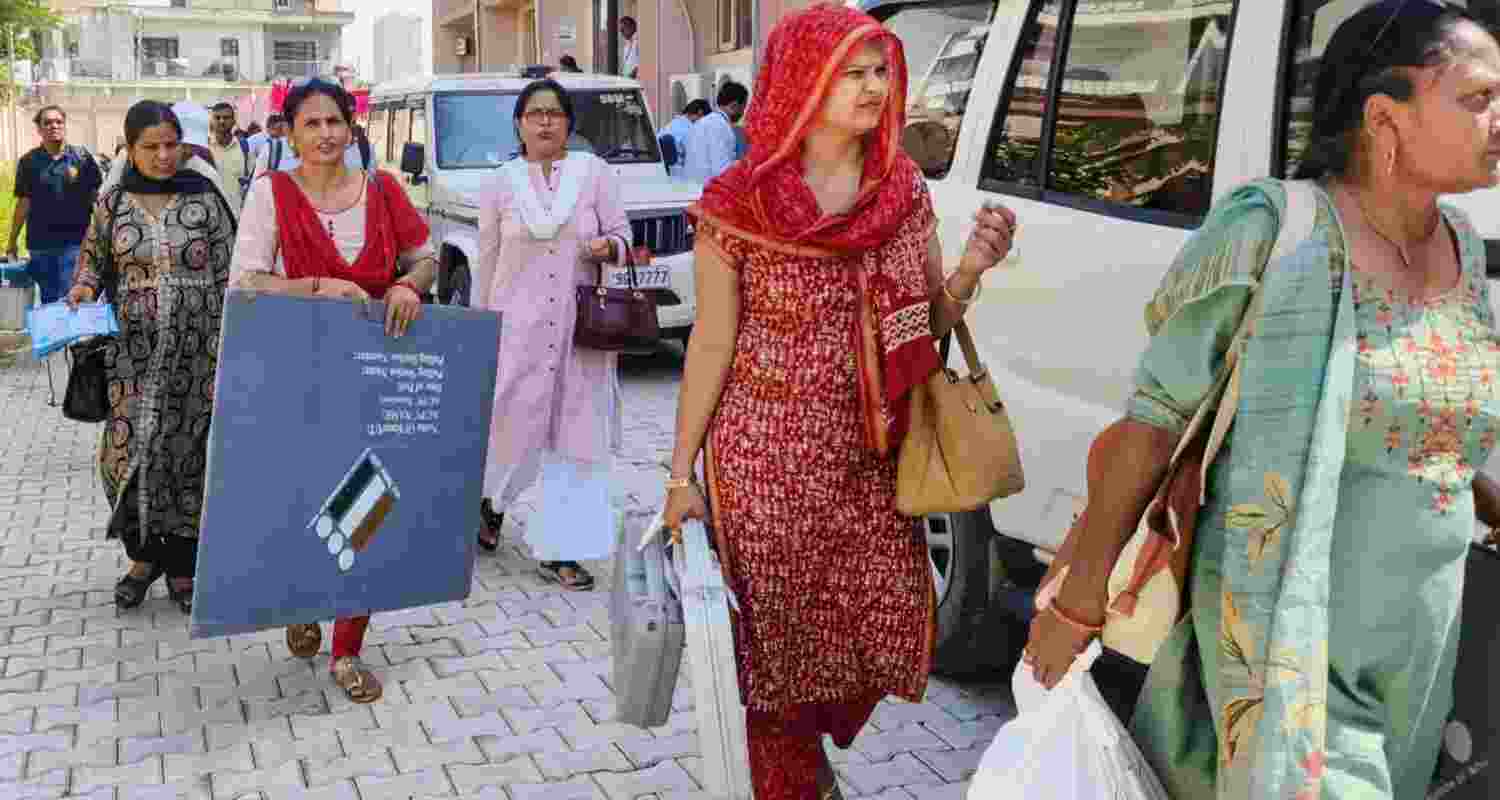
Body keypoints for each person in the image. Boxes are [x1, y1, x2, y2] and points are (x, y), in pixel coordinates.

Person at [1024, 4, 1500, 798]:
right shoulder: (1275, 231)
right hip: (1285, 642)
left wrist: (1482, 495)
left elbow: (1425, 427)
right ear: (1385, 117)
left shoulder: (1463, 245)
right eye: (1478, 97)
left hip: (1418, 648)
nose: (1498, 118)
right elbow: (1153, 426)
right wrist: (1076, 604)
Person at [661, 6, 1016, 797]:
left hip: (870, 457)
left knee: (886, 628)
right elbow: (712, 343)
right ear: (802, 82)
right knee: (780, 657)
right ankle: (791, 777)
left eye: (879, 70)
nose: (872, 86)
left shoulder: (900, 190)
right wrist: (681, 473)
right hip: (764, 463)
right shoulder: (739, 201)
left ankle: (801, 756)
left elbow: (925, 320)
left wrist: (971, 271)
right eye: (851, 72)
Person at [231, 78, 435, 704]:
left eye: (334, 122)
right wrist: (316, 286)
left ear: (352, 128)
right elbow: (247, 282)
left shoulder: (382, 189)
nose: (324, 134)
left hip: (377, 371)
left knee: (367, 504)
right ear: (289, 132)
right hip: (298, 367)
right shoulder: (271, 193)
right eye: (310, 123)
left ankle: (347, 649)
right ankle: (302, 596)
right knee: (302, 495)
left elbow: (425, 256)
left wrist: (409, 286)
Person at [64, 100, 237, 614]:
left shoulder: (205, 197)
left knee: (187, 458)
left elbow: (233, 274)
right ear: (130, 148)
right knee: (124, 458)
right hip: (131, 358)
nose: (164, 155)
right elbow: (92, 262)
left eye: (171, 144)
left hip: (199, 355)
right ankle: (143, 557)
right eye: (151, 146)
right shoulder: (112, 202)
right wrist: (82, 290)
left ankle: (182, 565)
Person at [476, 78, 633, 591]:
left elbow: (623, 235)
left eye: (555, 113)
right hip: (516, 329)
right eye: (535, 113)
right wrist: (481, 324)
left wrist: (609, 248)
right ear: (519, 124)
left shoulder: (595, 175)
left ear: (569, 123)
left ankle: (561, 550)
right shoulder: (500, 182)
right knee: (507, 426)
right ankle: (489, 504)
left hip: (578, 330)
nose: (545, 122)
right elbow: (488, 258)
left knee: (574, 439)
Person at [7, 105, 103, 304]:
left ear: (65, 125)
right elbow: (24, 203)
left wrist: (102, 235)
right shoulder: (29, 162)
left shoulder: (82, 158)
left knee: (75, 299)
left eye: (59, 121)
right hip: (42, 245)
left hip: (78, 243)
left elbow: (97, 199)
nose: (54, 126)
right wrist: (12, 240)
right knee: (51, 301)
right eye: (48, 122)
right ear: (39, 129)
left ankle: (76, 335)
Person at [683, 81, 747, 182]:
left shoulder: (703, 122)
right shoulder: (721, 126)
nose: (743, 113)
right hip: (707, 189)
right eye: (743, 108)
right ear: (734, 106)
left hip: (692, 187)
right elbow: (722, 170)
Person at [208, 101, 253, 212]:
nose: (222, 121)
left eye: (226, 117)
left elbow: (251, 182)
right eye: (217, 118)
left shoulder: (244, 148)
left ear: (233, 121)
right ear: (211, 121)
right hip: (210, 218)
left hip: (237, 216)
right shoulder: (204, 147)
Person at [658, 98, 708, 175]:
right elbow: (695, 156)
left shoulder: (673, 123)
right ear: (700, 113)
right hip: (677, 172)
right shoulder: (690, 130)